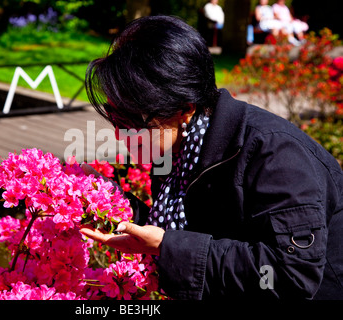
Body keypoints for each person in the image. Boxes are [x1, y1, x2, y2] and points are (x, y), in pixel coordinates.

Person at [81, 15, 343, 299]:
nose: (122, 134)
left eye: (133, 120)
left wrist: (167, 247)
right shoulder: (180, 146)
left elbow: (291, 274)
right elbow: (192, 230)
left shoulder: (274, 153)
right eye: (115, 118)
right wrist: (114, 204)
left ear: (184, 107)